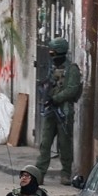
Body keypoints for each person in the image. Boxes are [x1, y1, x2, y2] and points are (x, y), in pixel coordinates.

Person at [34, 38, 83, 186]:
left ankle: (66, 173)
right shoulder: (52, 67)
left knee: (65, 144)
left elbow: (72, 89)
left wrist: (56, 99)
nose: (51, 55)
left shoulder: (71, 69)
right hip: (51, 111)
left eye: (53, 52)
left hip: (64, 111)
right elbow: (47, 83)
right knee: (45, 143)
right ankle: (39, 173)